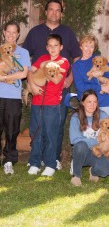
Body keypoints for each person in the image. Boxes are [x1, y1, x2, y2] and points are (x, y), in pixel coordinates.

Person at [23, 0, 81, 169]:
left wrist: (70, 79)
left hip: (59, 88)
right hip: (37, 88)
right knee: (38, 126)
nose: (54, 13)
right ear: (46, 12)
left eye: (58, 10)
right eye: (51, 9)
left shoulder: (68, 32)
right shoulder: (35, 32)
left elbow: (76, 57)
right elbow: (27, 62)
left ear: (61, 13)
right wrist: (31, 85)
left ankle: (53, 158)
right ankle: (36, 159)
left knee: (57, 123)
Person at [28, 34, 70, 176]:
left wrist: (45, 68)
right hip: (37, 101)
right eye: (50, 46)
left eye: (56, 45)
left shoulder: (64, 61)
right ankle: (34, 162)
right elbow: (30, 71)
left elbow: (57, 79)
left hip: (52, 103)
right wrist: (32, 85)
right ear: (46, 47)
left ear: (61, 47)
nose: (52, 48)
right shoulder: (42, 58)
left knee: (51, 134)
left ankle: (50, 163)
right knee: (36, 132)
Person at [0, 21, 30, 174]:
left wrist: (3, 78)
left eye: (14, 32)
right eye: (8, 32)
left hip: (13, 97)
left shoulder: (23, 53)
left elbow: (24, 73)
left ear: (18, 34)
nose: (11, 35)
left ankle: (9, 160)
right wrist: (10, 76)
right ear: (4, 32)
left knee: (12, 131)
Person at [69, 89, 109, 186]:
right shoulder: (76, 117)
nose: (92, 105)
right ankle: (76, 175)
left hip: (98, 151)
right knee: (80, 145)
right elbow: (74, 140)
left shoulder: (103, 115)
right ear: (83, 103)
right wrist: (97, 140)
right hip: (83, 151)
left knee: (105, 171)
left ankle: (93, 171)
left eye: (95, 102)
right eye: (89, 102)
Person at [72, 34, 109, 116]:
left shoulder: (98, 58)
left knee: (104, 128)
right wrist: (100, 87)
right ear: (81, 46)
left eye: (92, 47)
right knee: (89, 128)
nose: (89, 49)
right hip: (87, 103)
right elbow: (80, 87)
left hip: (104, 101)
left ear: (94, 48)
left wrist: (103, 72)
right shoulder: (76, 65)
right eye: (86, 46)